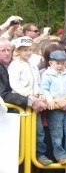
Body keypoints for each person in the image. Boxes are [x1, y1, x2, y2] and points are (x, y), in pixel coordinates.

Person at [7, 36, 49, 164]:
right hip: (22, 103)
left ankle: (40, 153)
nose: (28, 52)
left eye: (30, 50)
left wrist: (40, 94)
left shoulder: (33, 66)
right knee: (21, 132)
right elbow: (15, 84)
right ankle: (20, 154)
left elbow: (38, 83)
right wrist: (28, 95)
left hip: (34, 101)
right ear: (18, 51)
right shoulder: (14, 65)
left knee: (39, 130)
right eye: (25, 50)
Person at [40, 50, 66, 166]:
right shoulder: (47, 75)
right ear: (51, 63)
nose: (60, 66)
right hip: (55, 107)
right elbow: (45, 89)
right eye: (58, 63)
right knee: (57, 134)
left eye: (63, 63)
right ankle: (61, 156)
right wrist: (50, 100)